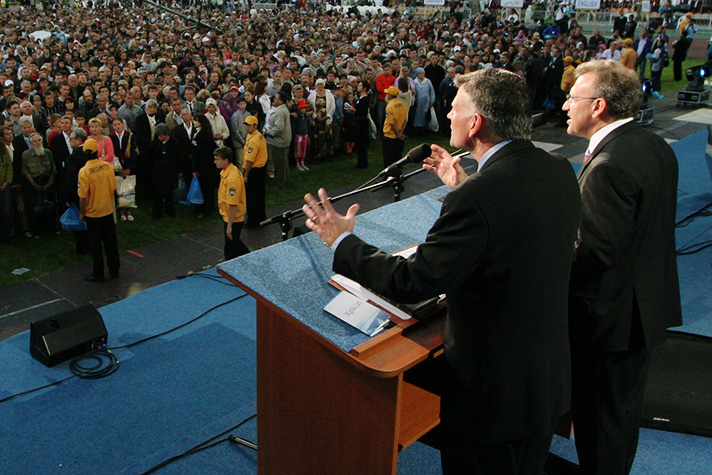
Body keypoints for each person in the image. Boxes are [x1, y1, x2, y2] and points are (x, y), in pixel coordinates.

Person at [302, 68, 581, 474]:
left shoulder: (480, 196)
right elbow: (515, 234)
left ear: (476, 122)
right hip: (541, 378)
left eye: (454, 108)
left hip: (491, 396)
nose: (447, 115)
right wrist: (463, 183)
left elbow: (413, 282)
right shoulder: (556, 169)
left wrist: (340, 240)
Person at [562, 60, 682, 475]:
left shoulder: (609, 163)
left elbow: (594, 252)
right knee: (620, 419)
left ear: (597, 106)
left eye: (572, 98)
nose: (564, 105)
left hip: (608, 323)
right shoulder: (654, 144)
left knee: (601, 426)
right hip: (642, 311)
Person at [78, 138, 120, 283]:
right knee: (111, 241)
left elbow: (83, 196)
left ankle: (98, 272)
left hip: (93, 212)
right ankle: (114, 269)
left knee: (96, 245)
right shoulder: (107, 166)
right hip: (107, 209)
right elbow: (113, 187)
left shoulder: (84, 172)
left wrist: (82, 213)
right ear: (98, 151)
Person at [214, 146, 249, 260]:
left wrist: (229, 226)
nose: (215, 162)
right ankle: (250, 258)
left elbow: (233, 204)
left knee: (230, 249)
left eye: (217, 159)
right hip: (229, 216)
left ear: (226, 160)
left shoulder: (232, 178)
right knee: (236, 242)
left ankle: (230, 268)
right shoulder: (226, 172)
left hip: (234, 218)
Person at [62, 127, 91, 254]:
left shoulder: (72, 159)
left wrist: (69, 199)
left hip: (79, 195)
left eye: (72, 138)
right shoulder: (91, 153)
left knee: (80, 222)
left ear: (79, 140)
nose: (70, 140)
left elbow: (70, 181)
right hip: (93, 193)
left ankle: (82, 248)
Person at [110, 117, 138, 221]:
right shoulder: (111, 137)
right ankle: (121, 211)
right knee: (119, 189)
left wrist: (129, 168)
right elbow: (112, 154)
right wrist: (119, 169)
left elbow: (134, 153)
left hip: (128, 166)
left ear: (123, 124)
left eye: (119, 124)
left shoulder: (130, 136)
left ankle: (129, 210)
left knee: (128, 189)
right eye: (115, 125)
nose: (117, 127)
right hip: (118, 167)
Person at [191, 113, 218, 218]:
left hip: (203, 165)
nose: (194, 122)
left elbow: (199, 151)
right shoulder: (201, 133)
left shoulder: (202, 134)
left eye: (196, 120)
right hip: (204, 165)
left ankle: (205, 209)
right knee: (206, 188)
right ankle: (207, 207)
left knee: (205, 188)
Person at [242, 115, 268, 227]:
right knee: (260, 195)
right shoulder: (259, 136)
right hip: (261, 169)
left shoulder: (253, 140)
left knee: (252, 198)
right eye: (246, 124)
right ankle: (261, 217)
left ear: (255, 125)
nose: (247, 127)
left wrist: (246, 175)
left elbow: (250, 160)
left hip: (254, 171)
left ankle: (253, 222)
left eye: (249, 125)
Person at [264, 91, 292, 189]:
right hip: (282, 141)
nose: (274, 100)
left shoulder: (280, 112)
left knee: (280, 164)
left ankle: (280, 184)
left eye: (276, 98)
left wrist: (268, 132)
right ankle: (284, 182)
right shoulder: (283, 110)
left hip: (278, 142)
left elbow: (279, 128)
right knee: (283, 164)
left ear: (280, 101)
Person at [382, 85, 408, 169]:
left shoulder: (389, 106)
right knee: (398, 158)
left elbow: (391, 122)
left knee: (389, 159)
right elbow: (405, 120)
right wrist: (401, 133)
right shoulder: (403, 105)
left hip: (390, 136)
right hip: (400, 136)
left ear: (389, 95)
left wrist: (397, 133)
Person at [353, 80, 371, 169]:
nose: (358, 87)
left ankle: (363, 163)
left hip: (362, 123)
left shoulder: (365, 99)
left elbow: (362, 112)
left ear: (364, 88)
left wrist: (354, 111)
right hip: (359, 122)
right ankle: (361, 161)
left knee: (362, 143)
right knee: (360, 143)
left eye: (360, 86)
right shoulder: (361, 98)